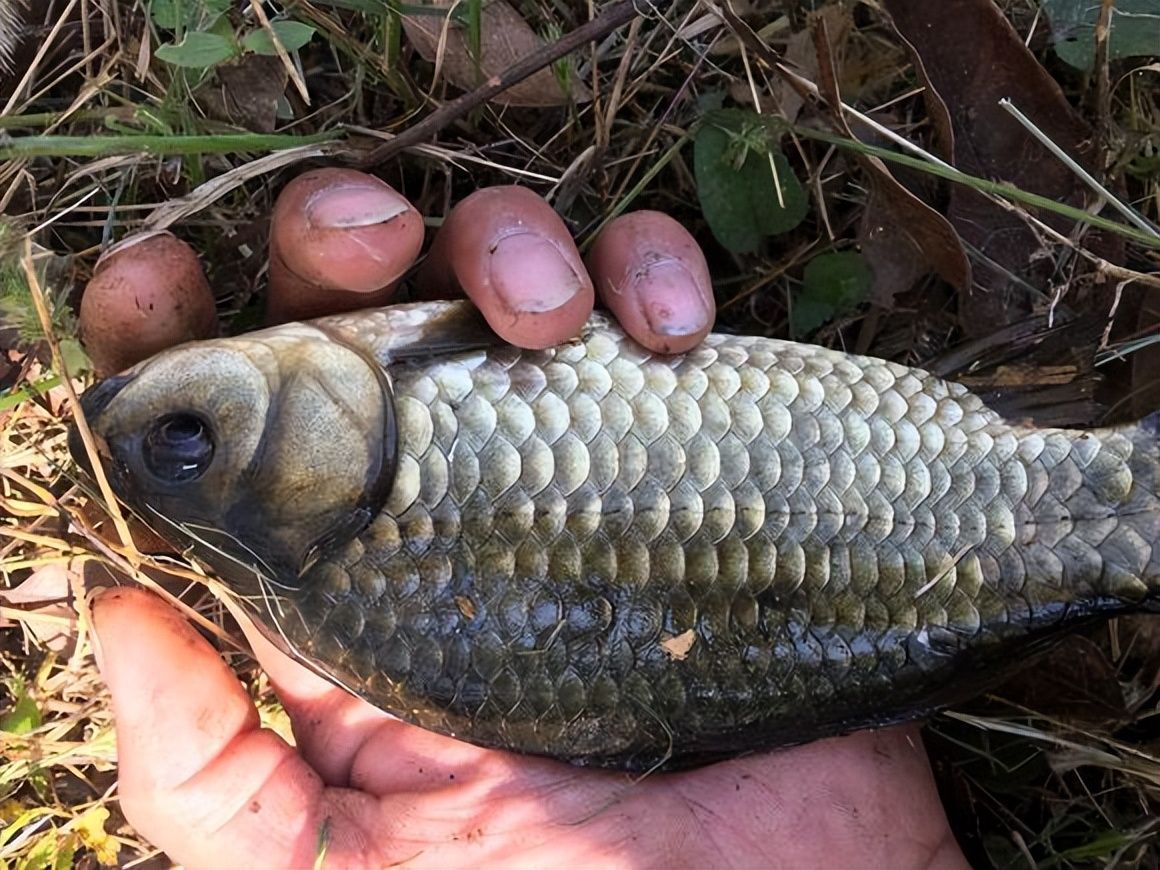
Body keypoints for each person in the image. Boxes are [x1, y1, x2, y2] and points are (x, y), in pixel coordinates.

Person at [85, 169, 968, 868]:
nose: (160, 408)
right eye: (186, 439)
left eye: (185, 437)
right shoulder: (329, 613)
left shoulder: (335, 623)